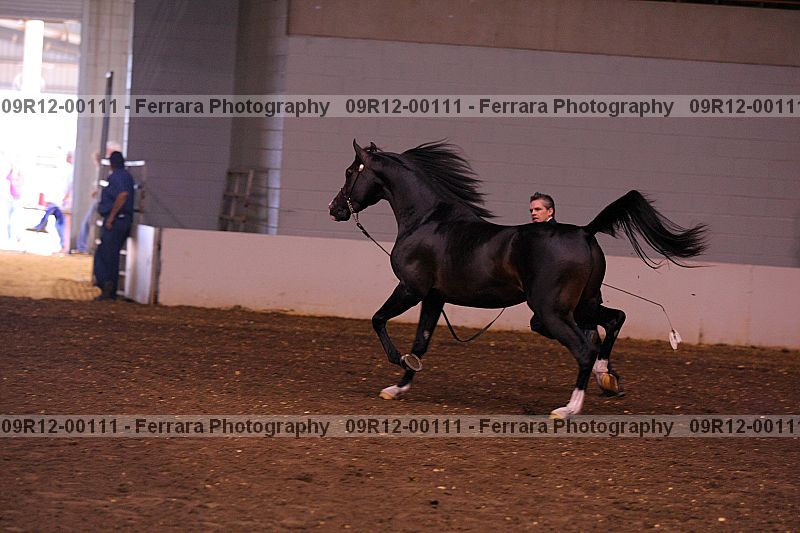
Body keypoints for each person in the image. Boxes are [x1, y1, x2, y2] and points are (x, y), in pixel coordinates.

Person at [93, 151, 135, 301]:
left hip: (117, 220)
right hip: (122, 219)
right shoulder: (126, 176)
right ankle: (110, 288)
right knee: (111, 254)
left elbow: (122, 195)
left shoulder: (117, 177)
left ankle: (107, 286)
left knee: (106, 255)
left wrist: (111, 217)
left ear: (111, 164)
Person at [26, 151, 73, 252]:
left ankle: (43, 224)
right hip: (62, 199)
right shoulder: (68, 170)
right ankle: (43, 224)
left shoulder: (68, 170)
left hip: (63, 199)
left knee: (60, 221)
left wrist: (65, 197)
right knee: (59, 220)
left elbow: (68, 185)